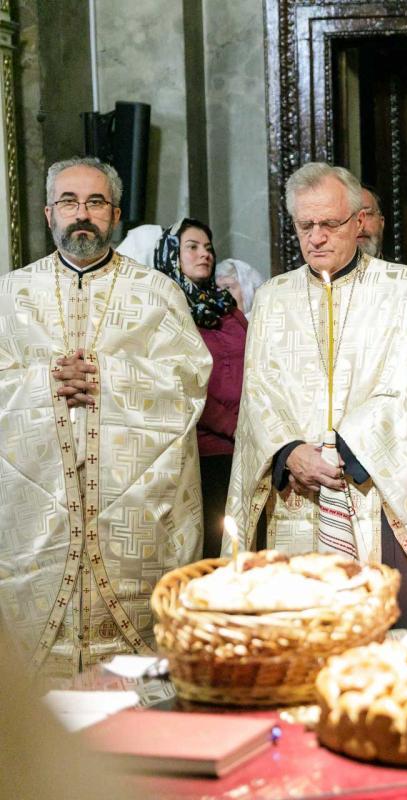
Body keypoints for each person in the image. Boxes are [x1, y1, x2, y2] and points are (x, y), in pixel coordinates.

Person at [225, 162, 407, 628]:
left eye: (329, 224)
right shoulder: (273, 297)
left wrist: (340, 449)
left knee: (382, 634)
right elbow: (258, 396)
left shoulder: (401, 287)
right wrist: (290, 453)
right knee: (294, 631)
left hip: (375, 489)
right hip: (295, 491)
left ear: (358, 222)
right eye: (305, 225)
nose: (316, 237)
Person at [0, 157, 210, 676]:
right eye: (69, 202)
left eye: (95, 202)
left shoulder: (157, 293)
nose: (81, 214)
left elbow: (188, 380)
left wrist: (108, 377)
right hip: (38, 515)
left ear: (115, 214)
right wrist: (44, 381)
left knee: (138, 679)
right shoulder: (10, 295)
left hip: (131, 513)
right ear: (48, 212)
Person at [154, 219, 247, 559]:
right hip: (204, 452)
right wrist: (232, 425)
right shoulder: (164, 311)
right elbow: (178, 380)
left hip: (247, 445)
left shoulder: (227, 308)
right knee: (214, 547)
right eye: (192, 247)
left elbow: (256, 361)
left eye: (208, 247)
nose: (204, 254)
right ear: (170, 255)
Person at [357, 185, 386, 257]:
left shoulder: (401, 268)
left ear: (381, 222)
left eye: (367, 214)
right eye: (352, 215)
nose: (360, 225)